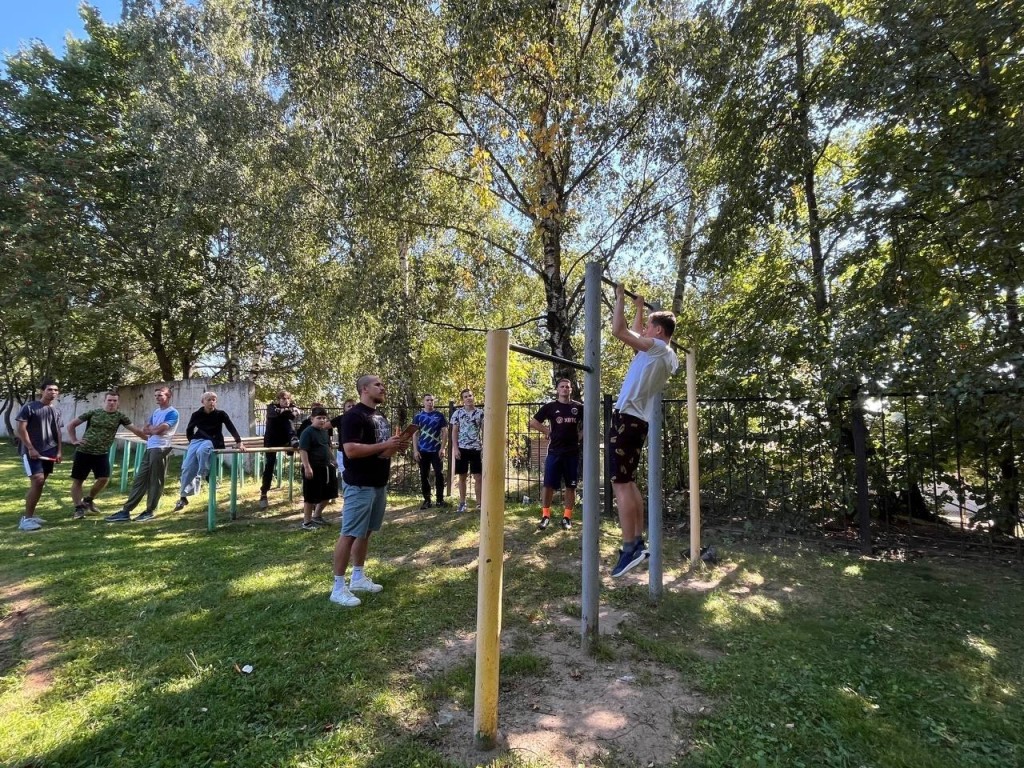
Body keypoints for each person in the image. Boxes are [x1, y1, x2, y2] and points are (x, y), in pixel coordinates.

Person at [607, 285, 678, 577]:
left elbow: (619, 331)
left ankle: (629, 547)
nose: (645, 330)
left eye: (649, 326)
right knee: (629, 482)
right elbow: (636, 336)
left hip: (626, 420)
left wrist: (620, 300)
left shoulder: (658, 348)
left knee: (620, 484)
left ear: (659, 331)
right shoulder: (665, 355)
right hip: (638, 421)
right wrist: (640, 309)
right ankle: (637, 540)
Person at [329, 374, 410, 608]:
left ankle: (358, 578)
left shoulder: (380, 416)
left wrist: (396, 446)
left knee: (365, 532)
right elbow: (351, 450)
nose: (383, 387)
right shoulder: (352, 416)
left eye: (383, 384)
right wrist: (385, 445)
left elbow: (380, 451)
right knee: (350, 533)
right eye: (378, 384)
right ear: (364, 389)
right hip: (359, 484)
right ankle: (337, 587)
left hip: (378, 483)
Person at [104, 385, 180, 523]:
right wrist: (152, 429)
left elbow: (159, 430)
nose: (157, 397)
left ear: (168, 396)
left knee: (155, 480)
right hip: (150, 447)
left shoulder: (172, 413)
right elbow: (146, 429)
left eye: (160, 395)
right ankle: (126, 511)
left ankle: (150, 510)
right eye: (156, 395)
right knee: (140, 479)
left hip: (161, 448)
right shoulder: (156, 412)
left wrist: (153, 429)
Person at [67, 391, 146, 518]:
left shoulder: (120, 416)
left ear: (118, 403)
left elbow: (135, 430)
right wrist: (74, 440)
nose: (112, 403)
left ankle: (88, 500)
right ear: (104, 401)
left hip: (101, 453)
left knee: (103, 479)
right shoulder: (93, 413)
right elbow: (71, 425)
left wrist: (150, 440)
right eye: (109, 400)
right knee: (78, 481)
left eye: (115, 401)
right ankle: (78, 508)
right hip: (84, 451)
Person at [171, 392, 245, 512]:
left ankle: (204, 475)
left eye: (214, 400)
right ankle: (183, 497)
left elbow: (231, 427)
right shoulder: (197, 414)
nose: (211, 402)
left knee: (203, 450)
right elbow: (189, 429)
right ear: (203, 402)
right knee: (187, 466)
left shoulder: (221, 414)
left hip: (213, 440)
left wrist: (239, 441)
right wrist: (191, 441)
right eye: (209, 400)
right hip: (197, 440)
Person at [528, 378, 583, 531]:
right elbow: (533, 422)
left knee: (571, 486)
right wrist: (547, 431)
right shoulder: (550, 407)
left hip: (572, 452)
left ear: (571, 390)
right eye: (562, 386)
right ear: (557, 390)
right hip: (554, 452)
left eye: (568, 387)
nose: (565, 389)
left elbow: (590, 424)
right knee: (548, 485)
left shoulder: (578, 408)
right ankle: (545, 516)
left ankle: (567, 517)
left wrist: (580, 435)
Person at [15, 380, 64, 531]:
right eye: (49, 389)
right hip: (32, 452)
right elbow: (21, 429)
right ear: (42, 391)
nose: (53, 392)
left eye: (56, 390)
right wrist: (30, 448)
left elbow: (58, 432)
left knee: (39, 484)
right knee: (38, 481)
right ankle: (26, 520)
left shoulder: (56, 410)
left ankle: (31, 514)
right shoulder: (29, 407)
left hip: (50, 451)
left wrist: (59, 451)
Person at [258, 390, 299, 509]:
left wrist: (284, 411)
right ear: (278, 400)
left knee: (286, 419)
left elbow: (294, 415)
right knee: (270, 464)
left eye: (287, 399)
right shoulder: (271, 407)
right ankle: (264, 493)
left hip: (285, 439)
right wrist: (285, 411)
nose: (286, 401)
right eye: (283, 399)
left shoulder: (292, 407)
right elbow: (273, 414)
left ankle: (292, 441)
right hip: (271, 440)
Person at [299, 406, 337, 530]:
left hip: (326, 467)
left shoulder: (324, 432)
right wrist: (307, 467)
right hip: (313, 467)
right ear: (312, 419)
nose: (322, 420)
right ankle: (307, 522)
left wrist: (333, 460)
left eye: (324, 418)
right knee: (310, 496)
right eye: (319, 418)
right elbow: (303, 450)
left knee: (329, 494)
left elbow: (327, 447)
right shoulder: (307, 432)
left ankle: (317, 516)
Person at [412, 394, 449, 509]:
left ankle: (440, 500)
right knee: (424, 475)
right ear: (423, 402)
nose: (430, 402)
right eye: (427, 400)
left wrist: (443, 448)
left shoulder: (439, 416)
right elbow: (415, 434)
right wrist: (415, 450)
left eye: (432, 400)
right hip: (423, 450)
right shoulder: (418, 416)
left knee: (439, 474)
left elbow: (445, 432)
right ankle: (427, 500)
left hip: (436, 450)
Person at [450, 388, 484, 514]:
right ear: (462, 400)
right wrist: (456, 448)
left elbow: (484, 430)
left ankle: (479, 503)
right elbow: (454, 432)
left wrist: (484, 447)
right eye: (465, 396)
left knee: (478, 477)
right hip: (462, 449)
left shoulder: (480, 413)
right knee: (462, 476)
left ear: (473, 397)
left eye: (470, 395)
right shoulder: (457, 414)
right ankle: (462, 503)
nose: (468, 398)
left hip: (475, 448)